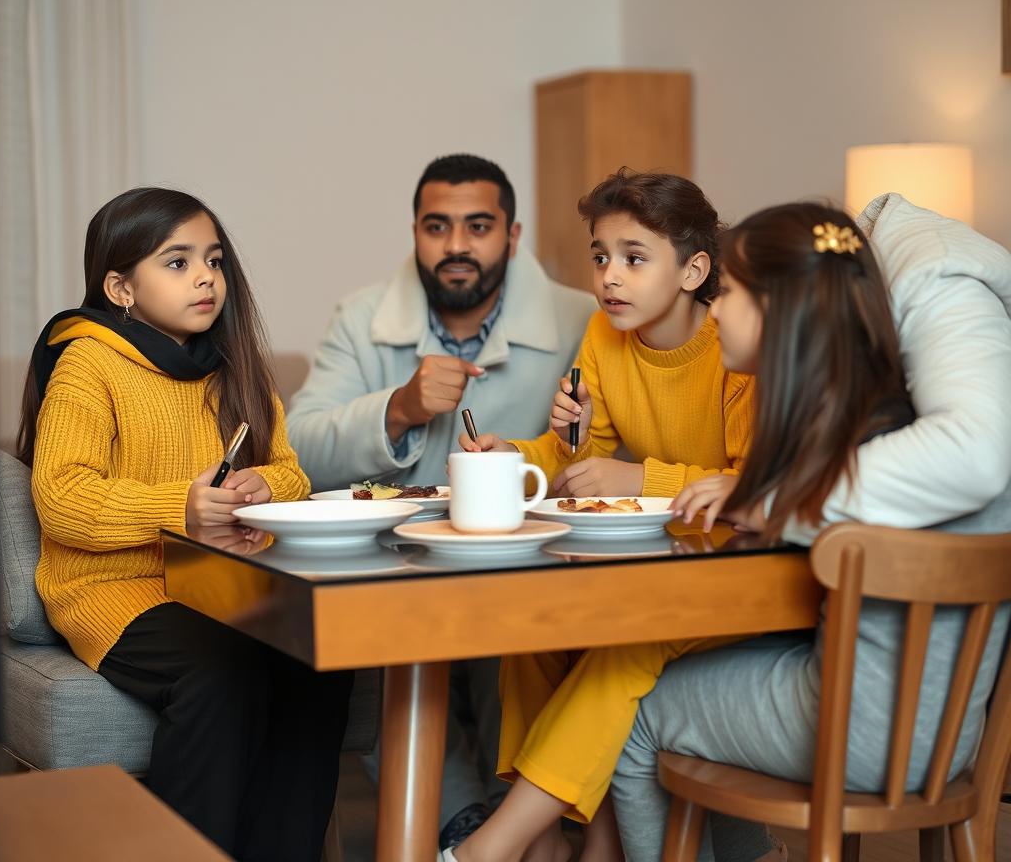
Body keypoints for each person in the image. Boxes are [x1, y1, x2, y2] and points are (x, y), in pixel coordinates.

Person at [610, 196, 1011, 862]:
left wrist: (765, 498)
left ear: (779, 309)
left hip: (858, 732)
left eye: (729, 292)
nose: (715, 312)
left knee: (641, 711)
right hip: (946, 736)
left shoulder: (845, 448)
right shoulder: (884, 422)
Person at [20, 187, 354, 862]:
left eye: (214, 260)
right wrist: (181, 508)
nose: (206, 277)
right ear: (119, 286)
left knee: (319, 654)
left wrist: (265, 484)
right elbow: (60, 496)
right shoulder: (88, 364)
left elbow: (291, 472)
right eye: (177, 263)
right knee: (220, 668)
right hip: (110, 587)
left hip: (218, 582)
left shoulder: (236, 367)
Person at [287, 153, 594, 849]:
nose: (456, 245)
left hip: (524, 576)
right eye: (438, 226)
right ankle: (473, 826)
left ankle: (522, 825)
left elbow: (612, 445)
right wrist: (397, 408)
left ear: (512, 236)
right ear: (416, 233)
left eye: (478, 226)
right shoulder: (361, 316)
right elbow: (297, 449)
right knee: (385, 644)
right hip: (393, 573)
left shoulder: (583, 318)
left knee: (516, 642)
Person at [450, 171, 757, 862]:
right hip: (655, 568)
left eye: (634, 257)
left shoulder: (735, 346)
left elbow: (751, 485)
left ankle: (496, 849)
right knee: (532, 631)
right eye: (599, 256)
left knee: (618, 643)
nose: (609, 277)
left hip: (735, 578)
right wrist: (527, 448)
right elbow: (583, 462)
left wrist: (640, 476)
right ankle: (556, 846)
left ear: (694, 269)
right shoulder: (605, 334)